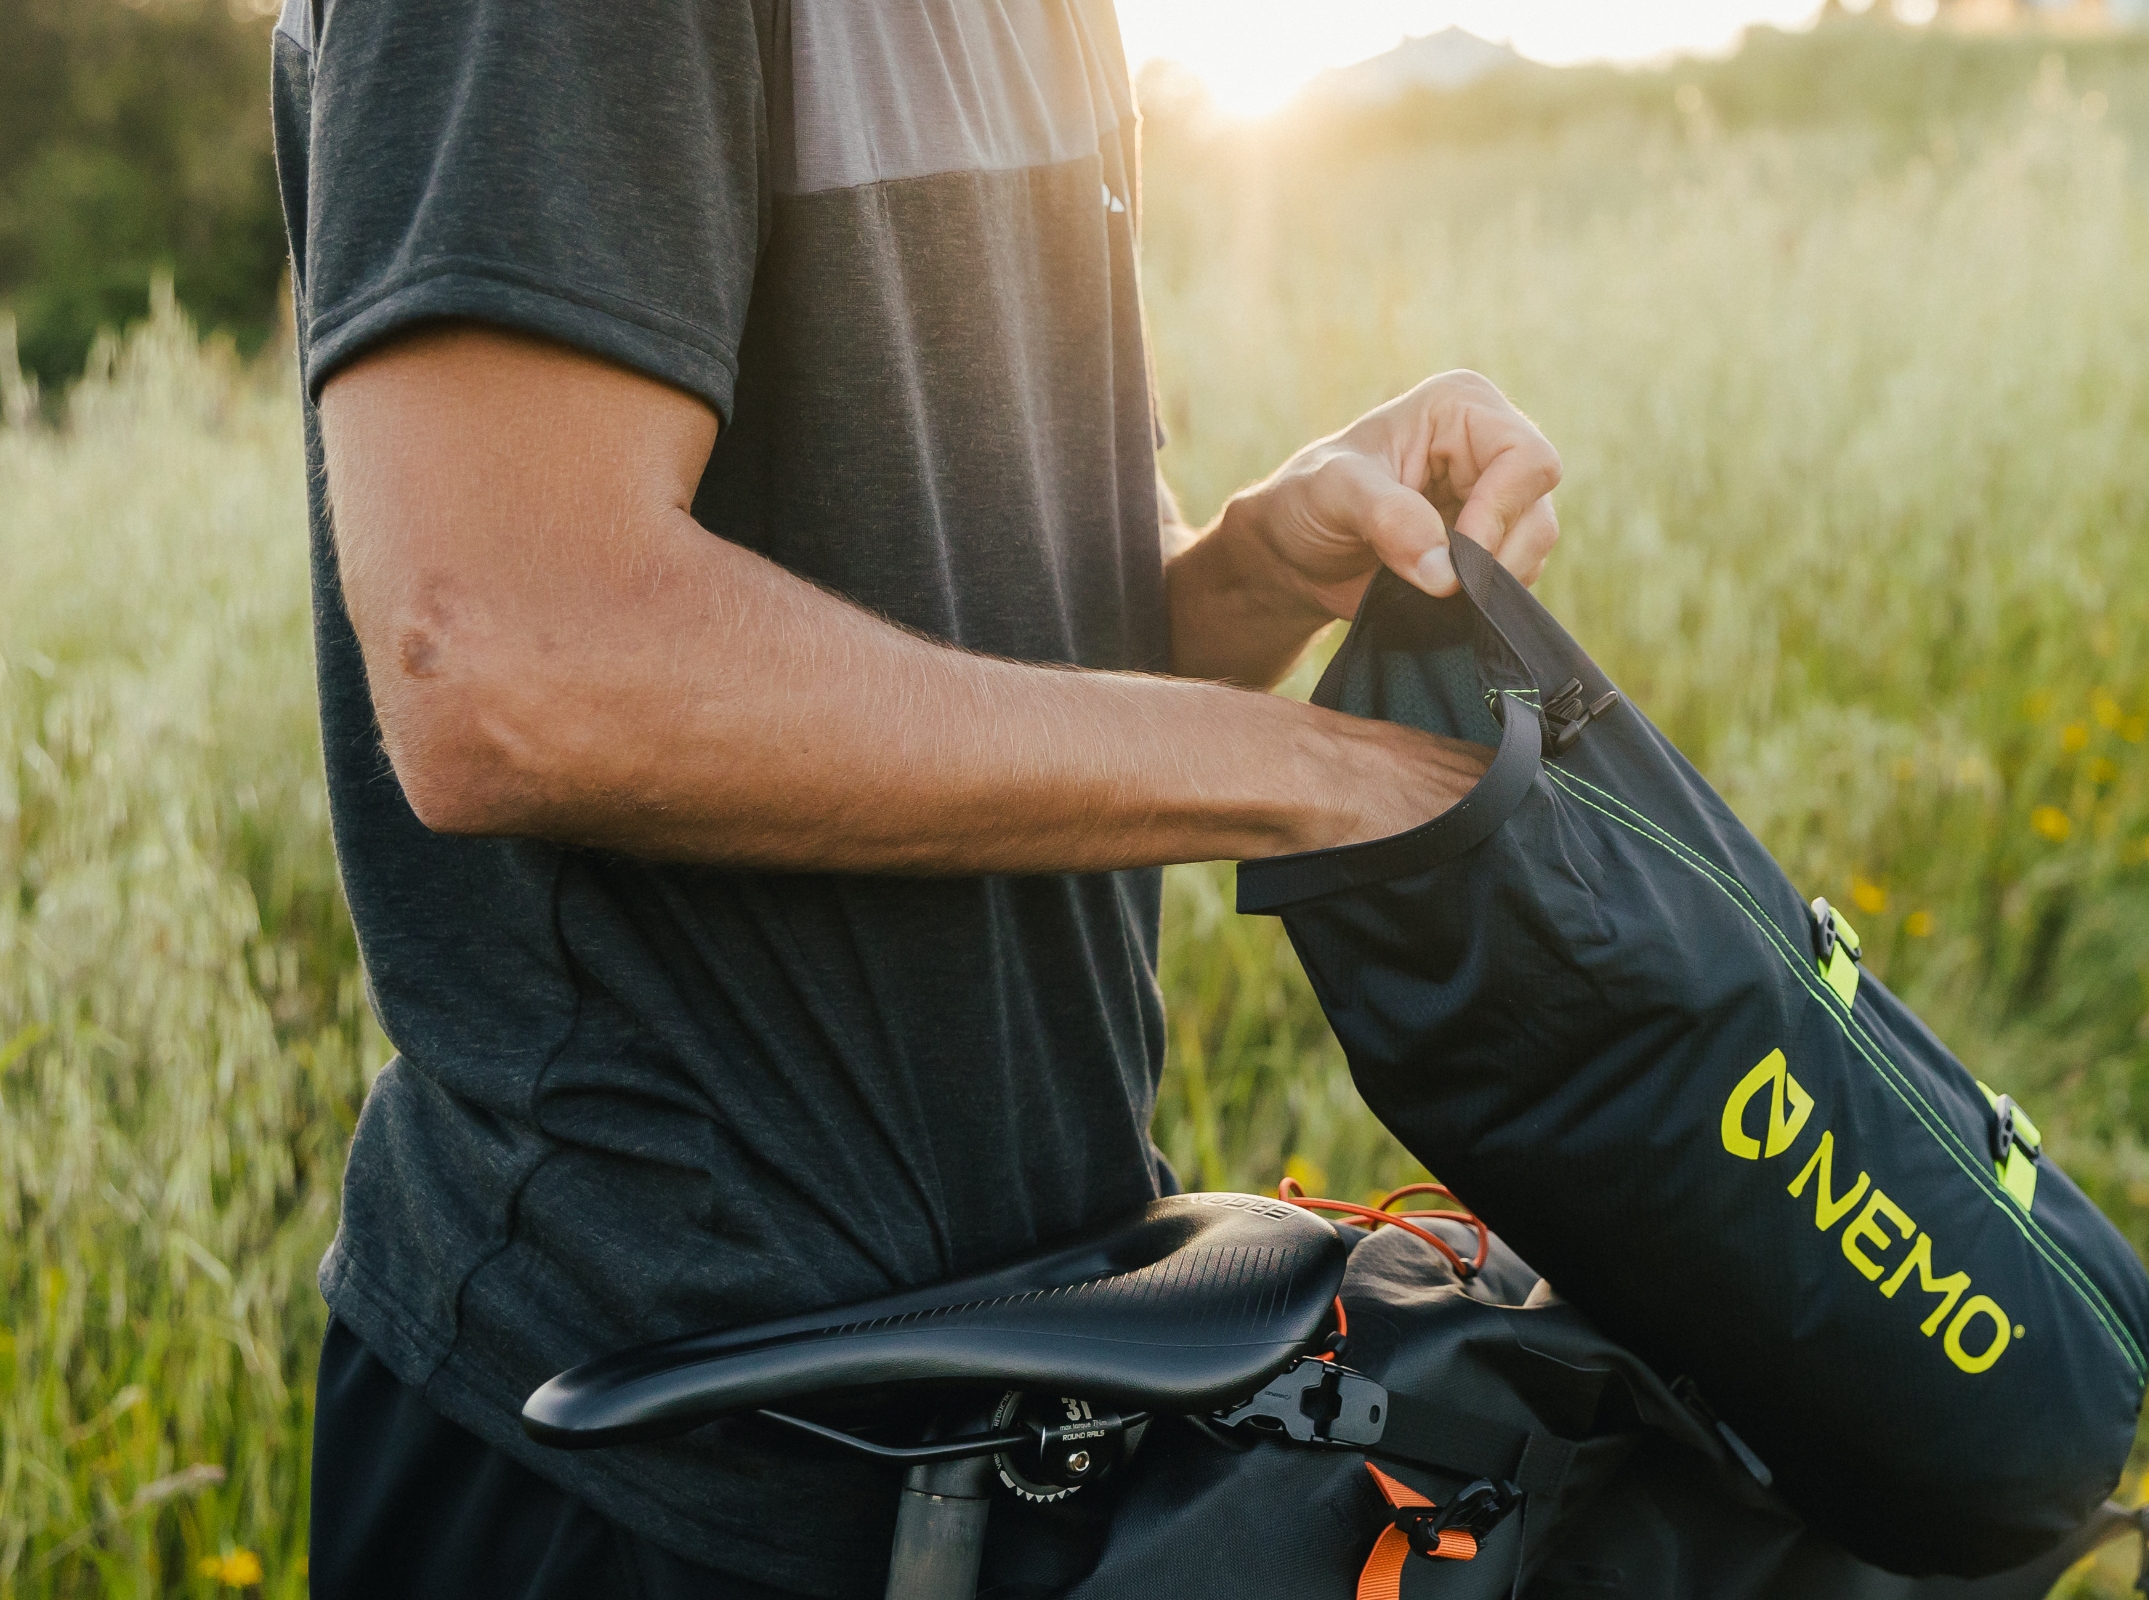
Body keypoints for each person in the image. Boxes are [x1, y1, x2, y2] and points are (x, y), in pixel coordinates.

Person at [270, 3, 1566, 1594]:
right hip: (640, 1448)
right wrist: (1303, 774)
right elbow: (508, 656)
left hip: (1030, 1395)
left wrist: (1250, 562)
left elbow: (1016, 628)